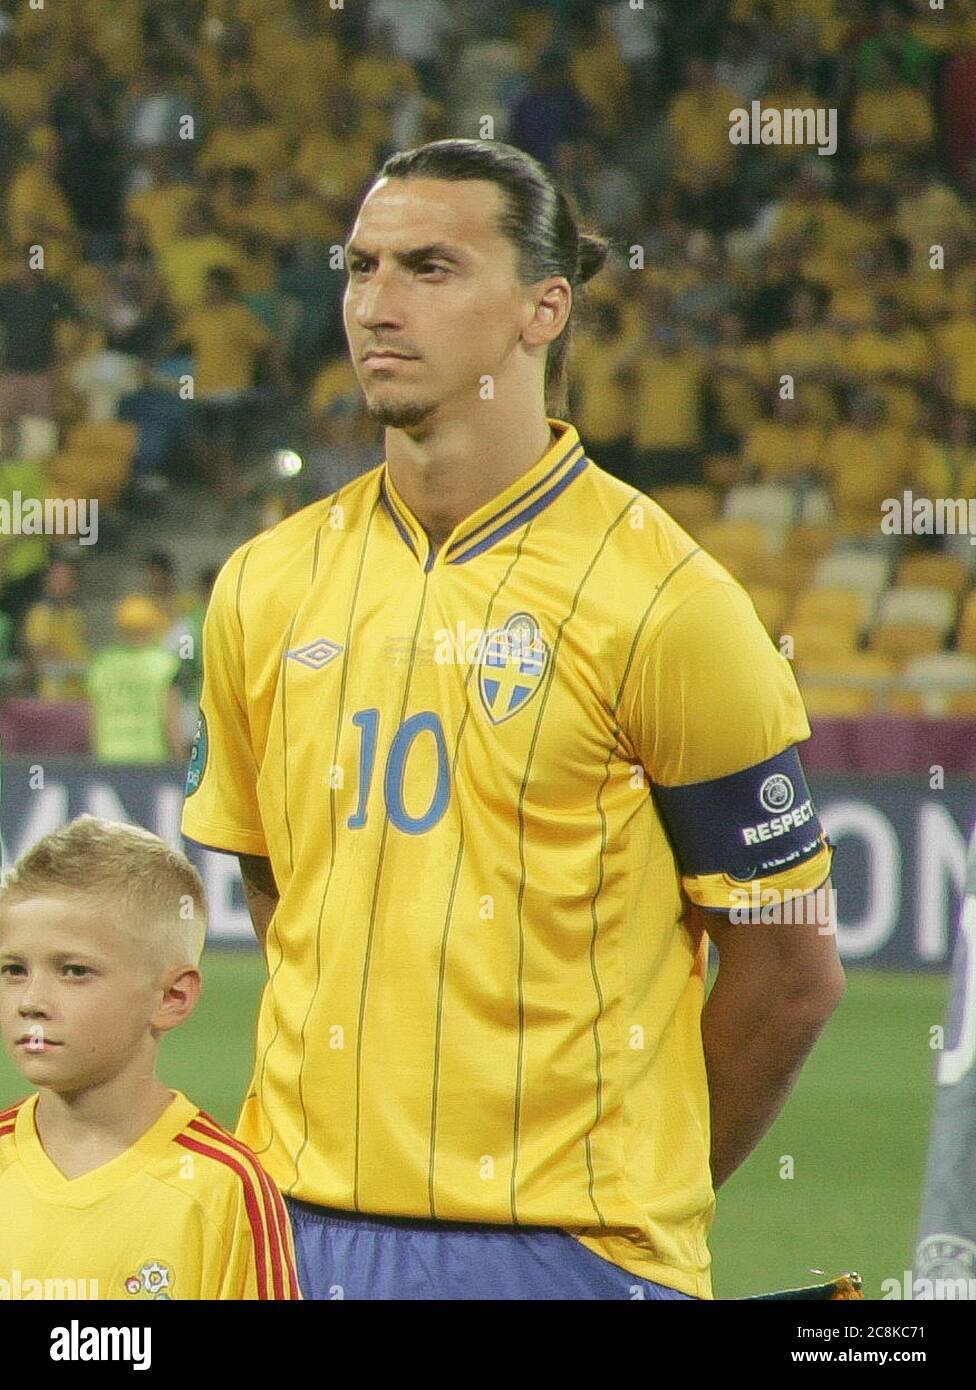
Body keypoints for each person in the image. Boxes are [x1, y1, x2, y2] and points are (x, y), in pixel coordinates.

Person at [181, 138, 843, 1301]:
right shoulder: (264, 583)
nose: (377, 305)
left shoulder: (668, 602)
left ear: (545, 308)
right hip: (291, 1232)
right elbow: (284, 888)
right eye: (360, 267)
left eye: (430, 267)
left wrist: (635, 1191)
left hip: (561, 1252)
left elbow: (789, 968)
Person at [0, 814, 300, 1300]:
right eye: (14, 969)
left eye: (73, 971)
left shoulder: (222, 1187)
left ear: (171, 998)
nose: (30, 1000)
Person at [87, 596, 185, 764]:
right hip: (151, 759)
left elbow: (92, 719)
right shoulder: (165, 664)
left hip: (109, 758)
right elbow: (171, 722)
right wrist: (180, 759)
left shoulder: (103, 663)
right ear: (152, 626)